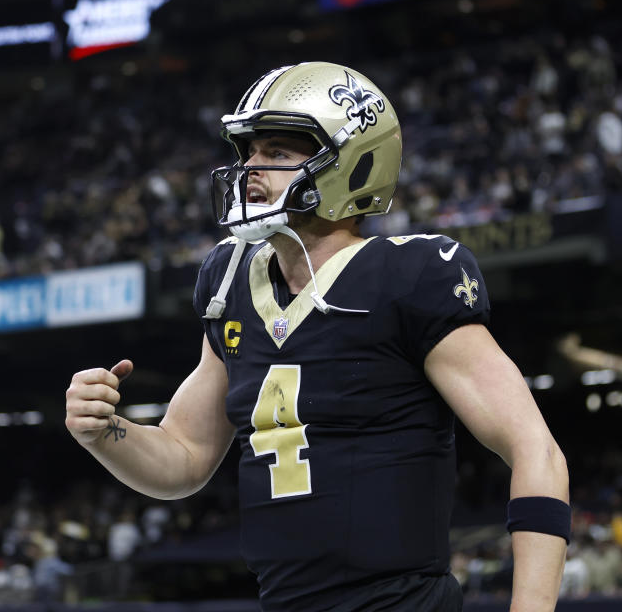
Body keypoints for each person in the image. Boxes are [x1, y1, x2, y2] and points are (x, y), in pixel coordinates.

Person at [65, 62, 570, 611]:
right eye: (249, 152)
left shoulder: (410, 276)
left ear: (352, 165)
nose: (251, 169)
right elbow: (184, 458)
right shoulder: (231, 279)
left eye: (278, 153)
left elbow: (535, 450)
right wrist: (107, 431)